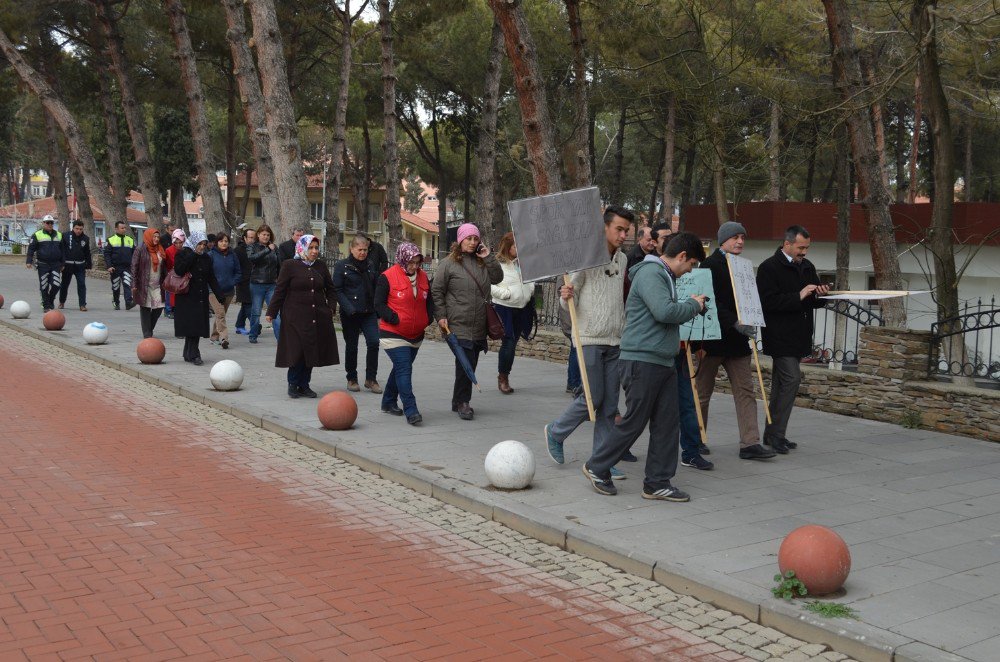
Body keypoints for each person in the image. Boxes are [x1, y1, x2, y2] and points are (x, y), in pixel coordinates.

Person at [581, 232, 707, 501]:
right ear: (682, 256)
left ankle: (657, 482)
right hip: (642, 361)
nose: (689, 272)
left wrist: (687, 305)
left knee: (666, 424)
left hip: (660, 361)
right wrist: (693, 305)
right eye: (691, 264)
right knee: (634, 421)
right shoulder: (652, 273)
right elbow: (665, 312)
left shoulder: (664, 276)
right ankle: (597, 466)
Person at [543, 206, 633, 477]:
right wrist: (565, 294)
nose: (623, 234)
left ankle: (601, 461)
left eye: (626, 230)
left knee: (609, 405)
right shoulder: (583, 257)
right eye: (619, 228)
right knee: (592, 397)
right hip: (589, 337)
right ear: (604, 227)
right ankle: (556, 432)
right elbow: (569, 295)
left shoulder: (623, 260)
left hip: (615, 339)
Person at [695, 221, 775, 461]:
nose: (740, 241)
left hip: (739, 343)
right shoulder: (709, 265)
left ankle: (750, 443)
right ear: (723, 240)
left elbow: (750, 299)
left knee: (745, 391)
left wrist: (751, 319)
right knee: (701, 394)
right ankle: (696, 439)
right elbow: (710, 301)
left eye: (743, 237)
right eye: (735, 237)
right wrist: (734, 322)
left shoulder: (743, 266)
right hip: (712, 340)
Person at [756, 225, 829, 453]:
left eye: (807, 247)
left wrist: (821, 295)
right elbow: (766, 302)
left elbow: (812, 301)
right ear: (787, 244)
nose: (804, 252)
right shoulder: (769, 267)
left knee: (781, 385)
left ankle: (774, 434)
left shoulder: (807, 266)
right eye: (800, 247)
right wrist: (798, 295)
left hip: (799, 334)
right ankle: (776, 435)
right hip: (779, 335)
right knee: (791, 381)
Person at [431, 223, 503, 421]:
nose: (472, 243)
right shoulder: (448, 263)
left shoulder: (482, 262)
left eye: (475, 239)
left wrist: (488, 257)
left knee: (470, 361)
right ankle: (464, 402)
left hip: (479, 323)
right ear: (460, 240)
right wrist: (441, 315)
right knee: (466, 362)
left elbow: (498, 278)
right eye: (468, 239)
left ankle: (457, 400)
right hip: (457, 323)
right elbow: (437, 291)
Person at [266, 234, 340, 398]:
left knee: (312, 350)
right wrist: (271, 312)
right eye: (311, 248)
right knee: (297, 350)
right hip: (295, 316)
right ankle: (293, 383)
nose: (314, 251)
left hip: (317, 316)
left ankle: (305, 384)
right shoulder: (290, 265)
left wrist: (331, 308)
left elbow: (331, 289)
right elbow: (280, 290)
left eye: (316, 248)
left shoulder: (320, 266)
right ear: (302, 248)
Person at [375, 242, 434, 425]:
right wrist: (394, 318)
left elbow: (429, 301)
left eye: (417, 263)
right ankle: (411, 410)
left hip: (416, 334)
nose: (414, 266)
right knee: (404, 369)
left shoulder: (423, 277)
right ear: (402, 259)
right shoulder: (387, 277)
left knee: (400, 368)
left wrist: (428, 318)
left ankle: (388, 402)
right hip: (393, 332)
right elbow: (378, 304)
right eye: (411, 262)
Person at [333, 235, 381, 393]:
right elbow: (337, 290)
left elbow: (375, 286)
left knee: (374, 342)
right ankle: (352, 378)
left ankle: (371, 378)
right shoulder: (342, 266)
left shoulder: (370, 264)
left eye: (365, 250)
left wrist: (378, 307)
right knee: (352, 347)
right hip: (351, 313)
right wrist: (348, 308)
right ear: (351, 249)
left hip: (368, 311)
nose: (363, 253)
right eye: (359, 249)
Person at [491, 232, 535, 394]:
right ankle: (503, 378)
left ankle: (504, 374)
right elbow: (488, 285)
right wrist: (505, 294)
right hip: (504, 308)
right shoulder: (497, 265)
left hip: (522, 308)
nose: (519, 249)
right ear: (507, 247)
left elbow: (530, 280)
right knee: (508, 343)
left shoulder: (522, 263)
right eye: (516, 246)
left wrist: (530, 290)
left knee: (513, 342)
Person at [173, 231, 224, 365]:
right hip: (186, 296)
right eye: (200, 244)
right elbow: (179, 270)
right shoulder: (183, 253)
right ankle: (194, 354)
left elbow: (211, 277)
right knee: (191, 325)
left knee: (196, 326)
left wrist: (219, 294)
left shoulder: (206, 257)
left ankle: (189, 351)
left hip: (200, 296)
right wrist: (193, 255)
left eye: (204, 244)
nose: (202, 247)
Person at [246, 224, 281, 344]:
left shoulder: (274, 247)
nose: (266, 237)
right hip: (257, 284)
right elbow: (252, 258)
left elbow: (279, 264)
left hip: (272, 284)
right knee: (256, 311)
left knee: (275, 311)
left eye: (268, 234)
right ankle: (253, 334)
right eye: (263, 234)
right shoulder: (252, 246)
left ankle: (280, 338)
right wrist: (267, 250)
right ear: (258, 235)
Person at [130, 228, 166, 338]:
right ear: (149, 237)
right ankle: (147, 333)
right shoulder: (140, 249)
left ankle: (148, 328)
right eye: (154, 237)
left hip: (157, 284)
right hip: (144, 284)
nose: (156, 239)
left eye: (157, 237)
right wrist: (134, 284)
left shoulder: (160, 249)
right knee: (145, 307)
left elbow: (164, 266)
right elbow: (134, 267)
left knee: (159, 307)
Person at [208, 232, 242, 350]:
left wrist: (232, 282)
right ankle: (224, 339)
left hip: (228, 290)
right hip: (213, 291)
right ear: (217, 242)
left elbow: (238, 272)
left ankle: (214, 336)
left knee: (220, 314)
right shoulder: (211, 255)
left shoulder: (232, 255)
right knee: (220, 314)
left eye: (226, 241)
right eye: (221, 241)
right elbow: (207, 273)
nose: (224, 243)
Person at [25, 215, 65, 312]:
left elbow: (63, 250)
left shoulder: (59, 235)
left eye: (51, 222)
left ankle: (50, 300)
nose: (50, 224)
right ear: (43, 223)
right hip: (43, 264)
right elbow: (31, 249)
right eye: (47, 222)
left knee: (56, 285)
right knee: (44, 285)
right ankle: (46, 305)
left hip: (55, 264)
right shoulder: (37, 235)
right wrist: (29, 261)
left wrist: (63, 263)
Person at [59, 220, 92, 311]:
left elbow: (87, 253)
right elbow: (62, 251)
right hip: (67, 265)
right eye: (77, 228)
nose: (78, 231)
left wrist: (89, 265)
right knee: (64, 284)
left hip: (80, 266)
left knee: (81, 284)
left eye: (81, 229)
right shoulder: (65, 236)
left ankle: (82, 304)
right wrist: (61, 264)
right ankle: (62, 302)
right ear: (73, 228)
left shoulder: (86, 238)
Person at [103, 221, 136, 310]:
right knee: (116, 286)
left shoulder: (130, 240)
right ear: (116, 229)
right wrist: (109, 266)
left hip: (126, 267)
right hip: (115, 268)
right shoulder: (110, 240)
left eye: (125, 228)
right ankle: (116, 301)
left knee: (127, 284)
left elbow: (135, 254)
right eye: (122, 228)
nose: (124, 229)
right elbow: (107, 254)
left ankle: (128, 302)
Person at [234, 227, 255, 335]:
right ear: (245, 238)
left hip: (254, 281)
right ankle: (254, 325)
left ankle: (239, 325)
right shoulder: (238, 250)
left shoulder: (255, 249)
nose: (252, 240)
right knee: (248, 304)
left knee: (245, 304)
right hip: (243, 282)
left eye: (254, 237)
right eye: (250, 237)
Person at [163, 228, 186, 319]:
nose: (178, 245)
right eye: (176, 242)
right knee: (170, 292)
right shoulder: (169, 250)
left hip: (182, 274)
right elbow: (167, 263)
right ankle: (168, 310)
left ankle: (178, 309)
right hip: (171, 274)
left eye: (180, 242)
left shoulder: (186, 250)